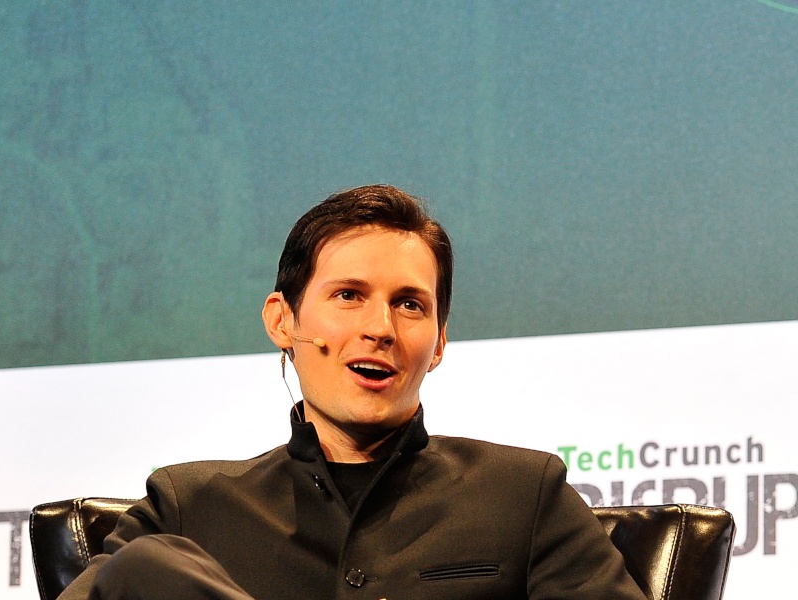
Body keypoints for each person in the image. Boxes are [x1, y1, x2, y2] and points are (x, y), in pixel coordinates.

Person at [59, 185, 646, 600]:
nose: (381, 328)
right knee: (149, 567)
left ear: (438, 343)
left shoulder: (524, 495)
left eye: (410, 305)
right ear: (282, 321)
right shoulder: (188, 506)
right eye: (348, 295)